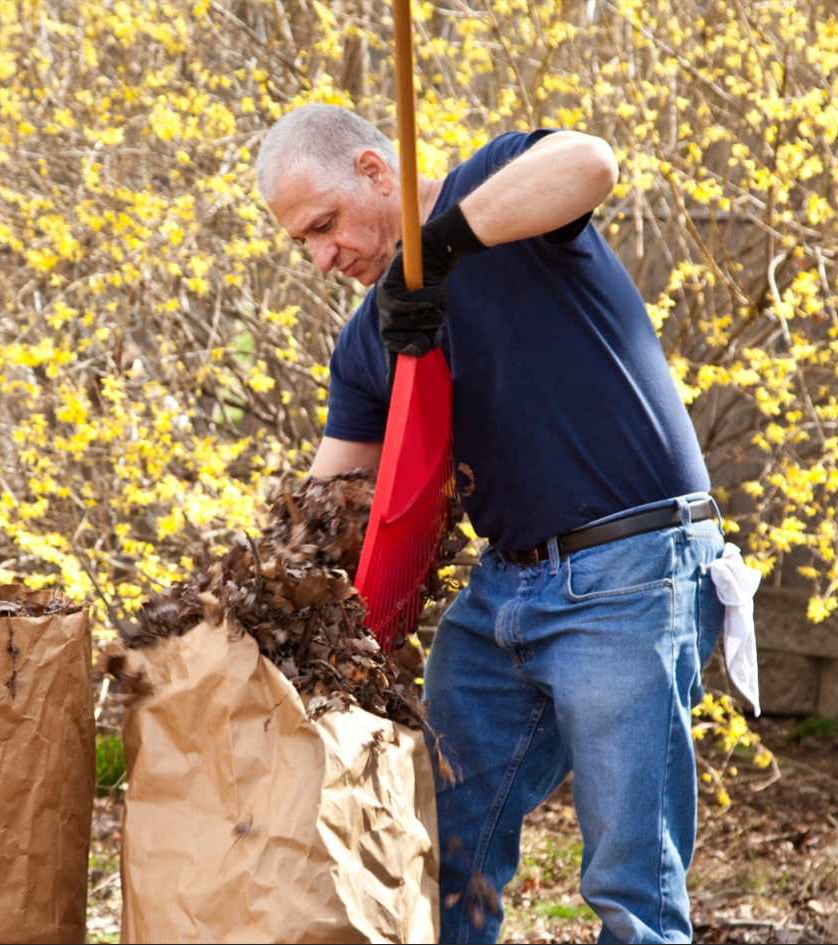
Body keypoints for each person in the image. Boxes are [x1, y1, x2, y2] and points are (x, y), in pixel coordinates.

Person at [255, 103, 725, 944]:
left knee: (631, 882)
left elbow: (591, 162)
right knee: (439, 844)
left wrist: (438, 248)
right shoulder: (374, 339)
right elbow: (326, 506)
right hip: (502, 594)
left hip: (632, 566)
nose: (324, 257)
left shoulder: (499, 191)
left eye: (325, 225)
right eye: (304, 243)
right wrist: (244, 608)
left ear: (374, 170)